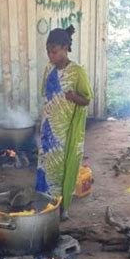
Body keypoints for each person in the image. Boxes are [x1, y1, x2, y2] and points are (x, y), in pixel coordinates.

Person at [35, 25, 93, 221]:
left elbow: (86, 99)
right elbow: (47, 97)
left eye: (54, 51)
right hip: (48, 129)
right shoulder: (48, 69)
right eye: (48, 51)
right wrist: (41, 123)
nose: (50, 55)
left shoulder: (77, 72)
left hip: (65, 131)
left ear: (66, 47)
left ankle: (62, 208)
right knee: (45, 167)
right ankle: (45, 205)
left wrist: (72, 96)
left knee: (61, 170)